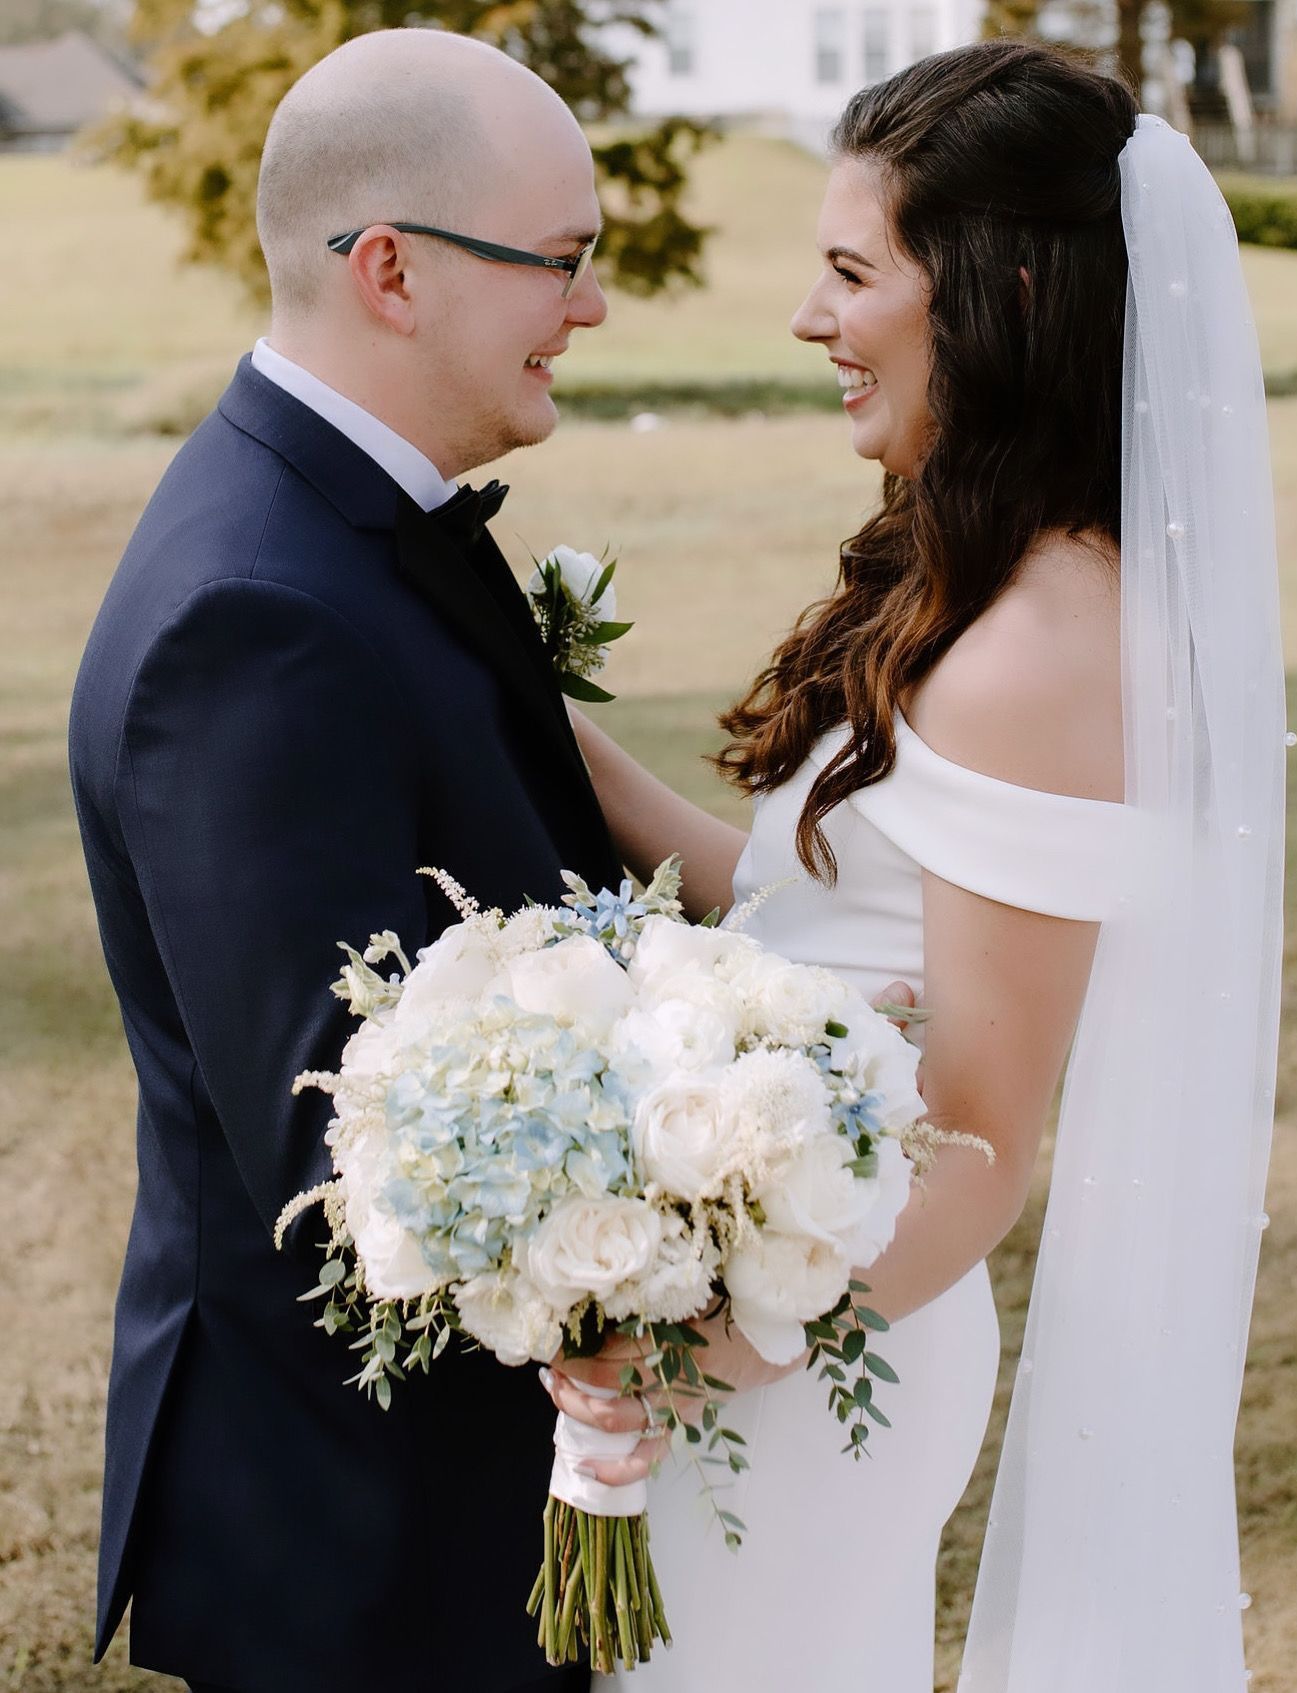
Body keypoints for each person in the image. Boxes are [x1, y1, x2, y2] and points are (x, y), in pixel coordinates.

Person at [545, 40, 1286, 1693]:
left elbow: (979, 1144)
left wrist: (686, 1350)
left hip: (821, 1363)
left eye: (850, 271)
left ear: (998, 294)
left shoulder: (1035, 650)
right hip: (788, 1330)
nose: (809, 318)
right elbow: (809, 913)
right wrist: (552, 740)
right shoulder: (983, 576)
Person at [68, 29, 621, 1693]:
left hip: (429, 1512)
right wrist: (679, 1209)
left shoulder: (350, 527)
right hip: (361, 1549)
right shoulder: (255, 617)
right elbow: (344, 1149)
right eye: (562, 260)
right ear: (391, 269)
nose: (594, 305)